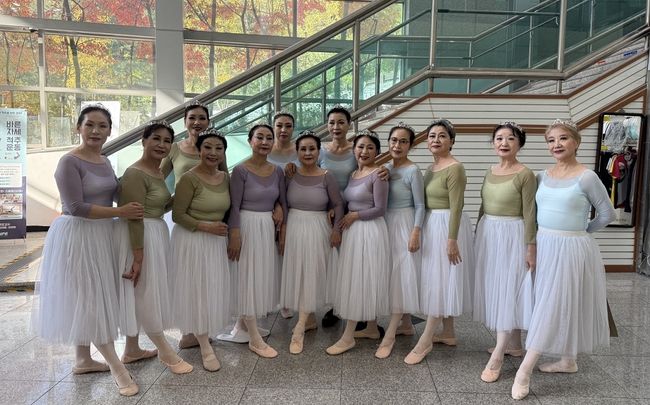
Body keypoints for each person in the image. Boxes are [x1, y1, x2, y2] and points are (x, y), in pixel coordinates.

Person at [33, 104, 142, 396]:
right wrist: (120, 213)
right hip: (78, 236)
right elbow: (76, 207)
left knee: (90, 296)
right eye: (90, 125)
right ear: (78, 128)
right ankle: (118, 369)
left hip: (102, 235)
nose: (96, 131)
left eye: (102, 126)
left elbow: (116, 192)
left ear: (110, 130)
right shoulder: (69, 162)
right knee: (90, 299)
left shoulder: (104, 161)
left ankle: (83, 359)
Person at [511, 120, 615, 400]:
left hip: (571, 247)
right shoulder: (541, 176)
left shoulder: (587, 177)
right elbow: (533, 213)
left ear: (576, 142)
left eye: (563, 138)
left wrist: (581, 233)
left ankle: (524, 371)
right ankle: (568, 360)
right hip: (544, 244)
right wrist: (532, 244)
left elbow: (607, 214)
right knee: (554, 301)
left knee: (552, 304)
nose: (556, 144)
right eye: (551, 140)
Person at [115, 120, 193, 374]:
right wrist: (138, 256)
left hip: (155, 232)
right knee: (145, 292)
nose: (161, 145)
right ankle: (166, 351)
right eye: (156, 139)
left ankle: (131, 349)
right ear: (144, 141)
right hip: (140, 236)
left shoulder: (158, 171)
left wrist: (182, 194)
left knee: (141, 291)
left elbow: (157, 205)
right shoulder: (135, 173)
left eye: (167, 141)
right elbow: (134, 216)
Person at [406, 119, 474, 365]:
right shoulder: (431, 167)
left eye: (442, 135)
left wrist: (452, 239)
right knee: (439, 276)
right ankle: (448, 332)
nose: (436, 139)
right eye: (432, 136)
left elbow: (457, 207)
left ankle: (425, 340)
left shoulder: (455, 168)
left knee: (440, 280)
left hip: (447, 226)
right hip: (432, 224)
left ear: (452, 141)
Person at [473, 122, 536, 383]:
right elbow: (483, 205)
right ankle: (514, 345)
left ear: (519, 144)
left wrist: (531, 246)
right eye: (499, 138)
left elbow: (530, 212)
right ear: (493, 144)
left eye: (510, 138)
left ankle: (498, 354)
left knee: (509, 289)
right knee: (497, 287)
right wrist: (477, 235)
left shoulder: (526, 174)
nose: (504, 143)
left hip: (513, 234)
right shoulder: (489, 171)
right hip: (489, 232)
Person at [160, 101, 225, 350]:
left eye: (202, 118)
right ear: (185, 121)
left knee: (207, 280)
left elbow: (223, 178)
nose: (197, 122)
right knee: (187, 278)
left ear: (208, 121)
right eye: (192, 118)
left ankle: (203, 327)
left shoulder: (214, 148)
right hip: (183, 218)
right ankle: (188, 330)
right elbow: (158, 177)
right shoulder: (175, 149)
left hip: (211, 220)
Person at [171, 128, 232, 372]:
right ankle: (205, 346)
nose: (213, 152)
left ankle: (196, 334)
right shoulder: (189, 178)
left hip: (215, 242)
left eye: (218, 148)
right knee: (196, 290)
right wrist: (207, 227)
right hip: (193, 240)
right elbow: (177, 215)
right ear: (199, 150)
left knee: (209, 290)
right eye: (208, 147)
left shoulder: (225, 178)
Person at [326, 130, 390, 355]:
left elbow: (380, 208)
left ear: (378, 152)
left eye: (370, 147)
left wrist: (355, 215)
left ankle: (348, 336)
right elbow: (348, 201)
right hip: (353, 231)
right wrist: (338, 212)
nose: (364, 151)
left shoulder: (378, 175)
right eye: (361, 147)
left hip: (369, 230)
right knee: (359, 277)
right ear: (354, 150)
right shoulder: (354, 174)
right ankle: (371, 328)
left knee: (361, 279)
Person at [280, 131, 343, 354]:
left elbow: (338, 204)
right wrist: (283, 228)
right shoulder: (289, 174)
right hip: (294, 227)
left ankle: (299, 328)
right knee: (298, 274)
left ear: (318, 151)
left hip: (318, 229)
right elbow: (282, 202)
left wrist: (336, 230)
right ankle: (309, 319)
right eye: (303, 149)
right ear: (297, 152)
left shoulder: (327, 176)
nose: (308, 153)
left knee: (311, 274)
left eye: (312, 149)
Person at [227, 123, 287, 358]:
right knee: (246, 277)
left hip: (266, 228)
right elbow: (234, 205)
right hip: (246, 226)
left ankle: (242, 326)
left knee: (258, 275)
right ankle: (254, 338)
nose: (264, 142)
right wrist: (235, 233)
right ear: (250, 141)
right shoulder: (241, 170)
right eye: (259, 137)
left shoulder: (277, 171)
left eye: (268, 138)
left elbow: (282, 200)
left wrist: (279, 207)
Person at [375, 122, 424, 359]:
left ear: (410, 145)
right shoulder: (384, 168)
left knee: (401, 276)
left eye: (403, 141)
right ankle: (405, 324)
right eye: (394, 140)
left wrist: (415, 232)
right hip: (386, 223)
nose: (397, 145)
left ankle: (390, 334)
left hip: (405, 224)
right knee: (390, 274)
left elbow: (421, 205)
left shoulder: (413, 171)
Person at [268, 110, 297, 320]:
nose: (283, 130)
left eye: (288, 126)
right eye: (279, 125)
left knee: (287, 253)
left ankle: (287, 299)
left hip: (294, 206)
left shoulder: (300, 150)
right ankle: (268, 297)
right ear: (273, 127)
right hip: (268, 207)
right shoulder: (265, 148)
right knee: (269, 254)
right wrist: (276, 204)